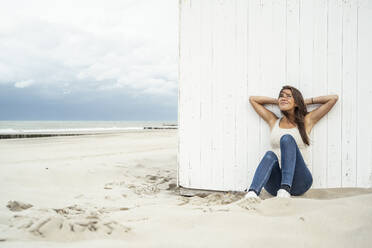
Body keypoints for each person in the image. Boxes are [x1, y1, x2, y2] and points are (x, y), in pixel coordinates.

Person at [245, 85, 338, 199]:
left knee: (287, 139)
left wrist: (303, 102)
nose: (284, 98)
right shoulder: (273, 121)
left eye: (289, 96)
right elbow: (252, 100)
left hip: (300, 181)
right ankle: (252, 193)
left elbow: (333, 98)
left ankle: (285, 188)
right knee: (269, 155)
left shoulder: (306, 121)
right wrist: (280, 101)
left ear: (296, 102)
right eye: (281, 96)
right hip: (276, 185)